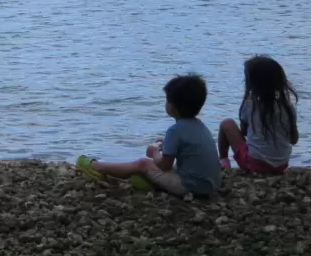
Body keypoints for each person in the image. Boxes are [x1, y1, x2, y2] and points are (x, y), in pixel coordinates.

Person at [76, 74, 222, 196]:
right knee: (153, 168)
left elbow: (164, 165)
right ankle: (148, 181)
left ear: (172, 106)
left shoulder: (175, 130)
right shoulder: (201, 126)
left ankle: (98, 167)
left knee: (143, 164)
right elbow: (188, 148)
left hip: (191, 187)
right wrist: (167, 144)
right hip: (212, 184)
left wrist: (154, 153)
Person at [218, 55, 298, 174]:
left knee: (227, 124)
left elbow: (244, 132)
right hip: (282, 165)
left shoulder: (250, 105)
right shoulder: (288, 108)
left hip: (254, 165)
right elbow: (294, 140)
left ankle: (224, 164)